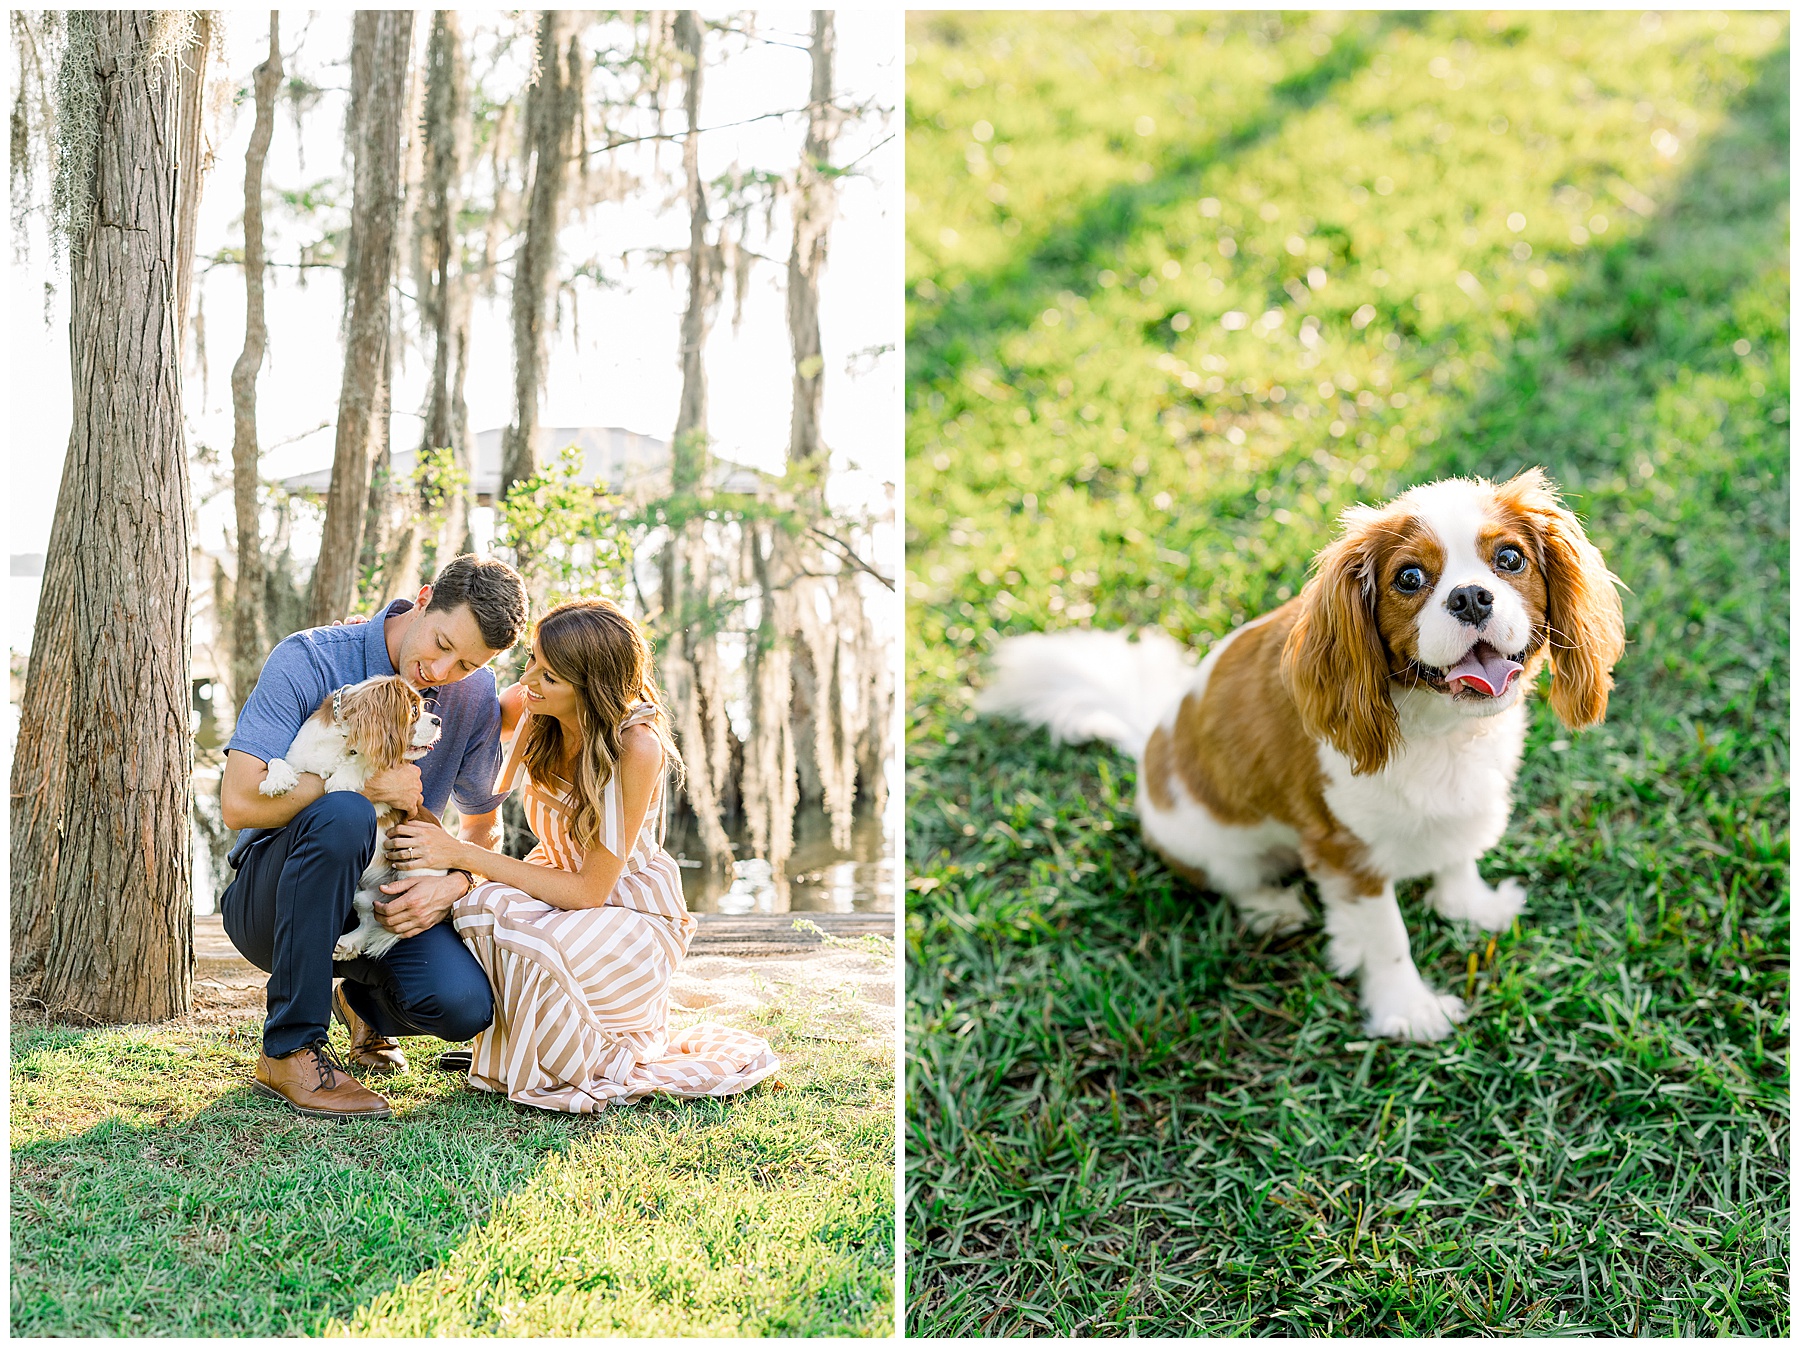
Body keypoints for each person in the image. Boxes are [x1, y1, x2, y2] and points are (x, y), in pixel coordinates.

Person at [389, 598, 779, 1113]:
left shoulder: (634, 746)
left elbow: (590, 890)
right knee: (477, 907)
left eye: (549, 675)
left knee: (531, 935)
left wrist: (462, 854)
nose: (528, 680)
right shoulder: (534, 705)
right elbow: (458, 696)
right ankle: (510, 1049)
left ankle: (549, 1057)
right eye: (531, 660)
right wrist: (383, 642)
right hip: (554, 882)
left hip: (628, 910)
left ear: (589, 688)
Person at [218, 554, 529, 1119]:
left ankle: (360, 1004)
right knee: (346, 817)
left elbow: (482, 826)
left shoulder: (474, 696)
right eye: (439, 644)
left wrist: (454, 883)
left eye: (465, 664)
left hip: (380, 906)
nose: (440, 671)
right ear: (425, 597)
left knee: (462, 1007)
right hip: (275, 900)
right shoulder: (308, 659)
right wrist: (365, 790)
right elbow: (238, 802)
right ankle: (290, 1048)